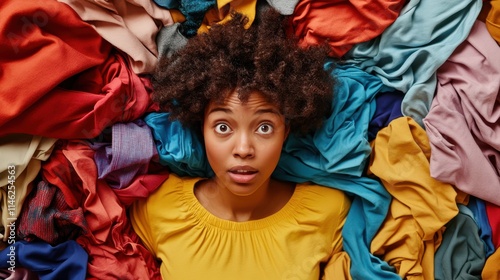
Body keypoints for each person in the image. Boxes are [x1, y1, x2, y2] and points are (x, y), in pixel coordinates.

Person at [130, 7, 352, 280]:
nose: (244, 149)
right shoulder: (154, 209)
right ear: (202, 128)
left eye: (264, 127)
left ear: (286, 131)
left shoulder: (329, 212)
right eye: (223, 127)